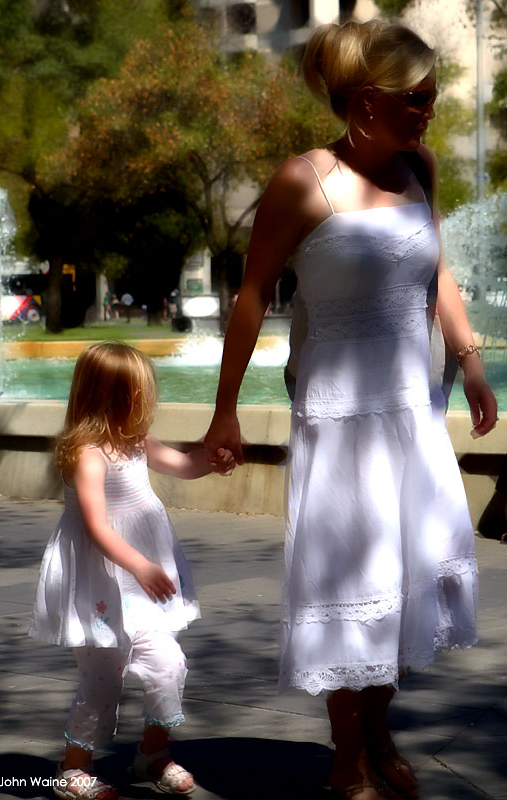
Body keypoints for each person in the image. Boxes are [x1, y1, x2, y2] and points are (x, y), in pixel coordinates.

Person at [204, 19, 498, 800]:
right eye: (419, 97)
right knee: (351, 585)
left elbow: (435, 275)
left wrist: (469, 363)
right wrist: (224, 411)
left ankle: (378, 728)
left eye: (433, 96)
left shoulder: (419, 167)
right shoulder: (303, 181)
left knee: (402, 579)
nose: (430, 110)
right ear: (368, 101)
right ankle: (346, 757)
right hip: (339, 420)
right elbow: (253, 294)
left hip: (412, 412)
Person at [30, 342, 234, 800]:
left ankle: (152, 754)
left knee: (168, 664)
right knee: (103, 681)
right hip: (101, 587)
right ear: (114, 397)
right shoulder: (87, 454)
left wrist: (214, 461)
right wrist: (140, 563)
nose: (148, 400)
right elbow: (97, 526)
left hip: (144, 589)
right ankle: (74, 767)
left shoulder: (136, 442)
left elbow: (183, 465)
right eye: (141, 392)